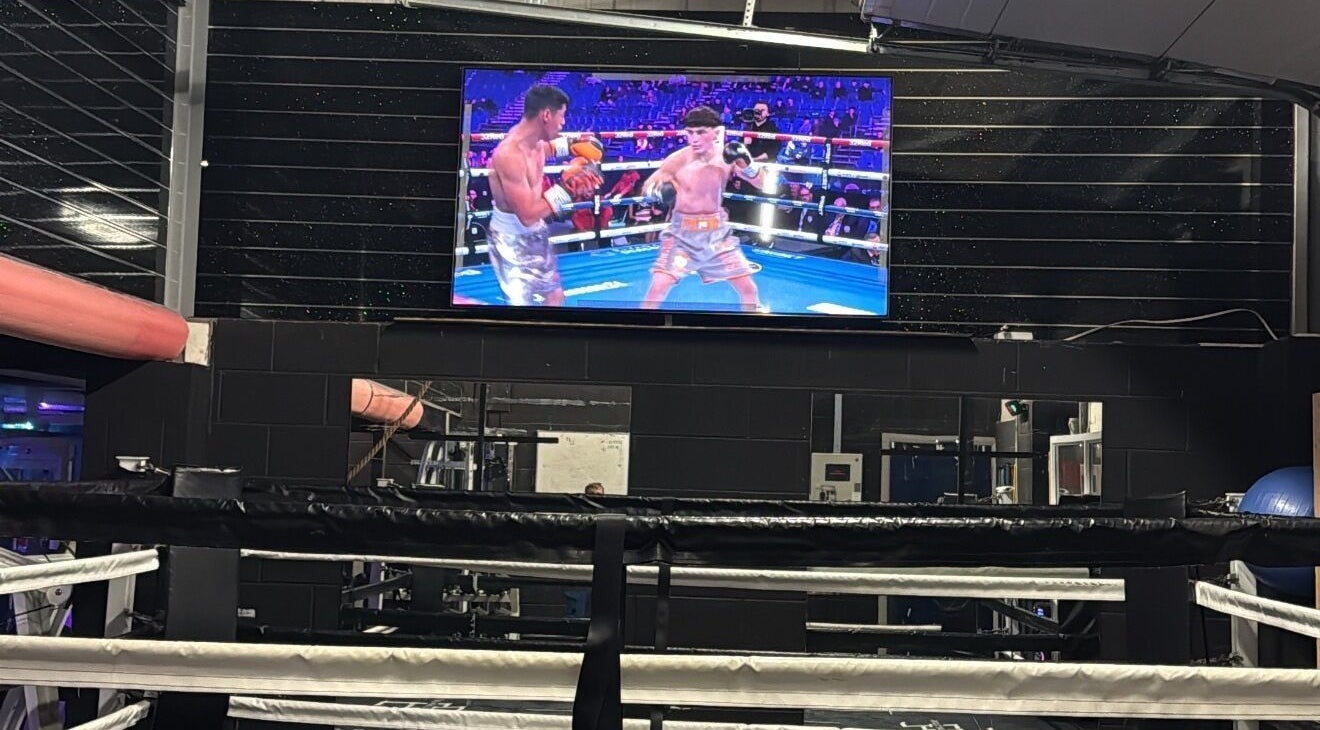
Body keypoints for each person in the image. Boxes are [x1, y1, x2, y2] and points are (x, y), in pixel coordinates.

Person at [638, 106, 767, 312]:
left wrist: (746, 161)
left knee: (749, 288)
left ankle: (752, 336)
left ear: (716, 132)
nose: (694, 139)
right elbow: (648, 186)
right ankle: (637, 335)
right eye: (690, 133)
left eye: (700, 132)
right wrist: (659, 192)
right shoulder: (678, 159)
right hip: (682, 235)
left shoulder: (727, 158)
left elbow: (762, 183)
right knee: (658, 287)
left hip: (717, 235)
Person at [486, 84, 604, 306]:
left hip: (537, 232)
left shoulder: (537, 141)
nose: (564, 123)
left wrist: (573, 146)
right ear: (547, 115)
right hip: (511, 239)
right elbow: (527, 214)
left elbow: (547, 149)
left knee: (555, 296)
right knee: (522, 309)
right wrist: (568, 188)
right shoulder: (509, 155)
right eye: (562, 116)